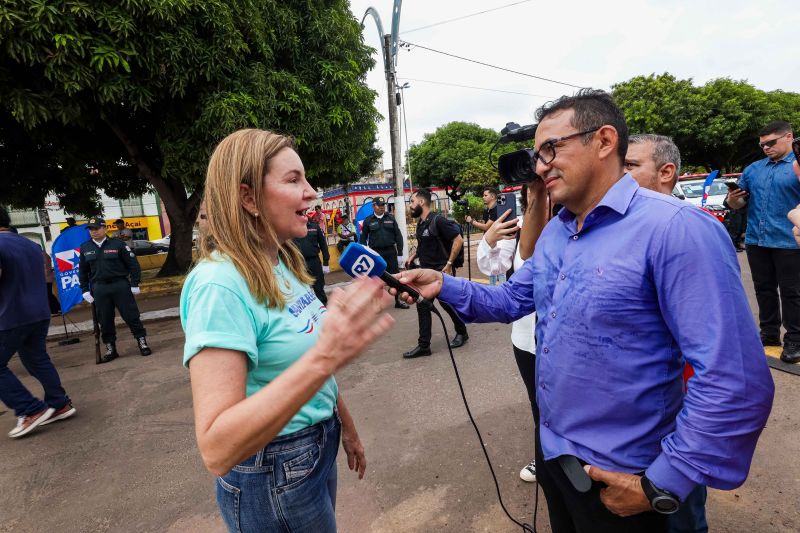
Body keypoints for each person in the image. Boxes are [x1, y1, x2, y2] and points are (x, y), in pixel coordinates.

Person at [396, 90, 775, 533]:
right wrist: (442, 283)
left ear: (604, 141)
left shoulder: (676, 229)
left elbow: (733, 379)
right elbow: (510, 300)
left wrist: (663, 483)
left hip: (627, 478)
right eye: (537, 155)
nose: (540, 167)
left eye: (551, 149)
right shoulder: (558, 232)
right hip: (558, 459)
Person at [180, 129, 394, 533]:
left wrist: (346, 427)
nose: (311, 192)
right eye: (294, 180)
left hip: (314, 448)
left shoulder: (281, 262)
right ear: (248, 198)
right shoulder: (218, 285)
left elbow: (310, 362)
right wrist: (327, 356)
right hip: (272, 469)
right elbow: (216, 448)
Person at [625, 133, 709, 533]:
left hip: (681, 399)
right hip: (639, 409)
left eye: (629, 166)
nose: (617, 175)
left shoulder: (690, 227)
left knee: (679, 506)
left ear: (666, 172)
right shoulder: (619, 227)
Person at [477, 179, 548, 484]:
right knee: (538, 404)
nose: (537, 198)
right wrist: (489, 240)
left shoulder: (574, 225)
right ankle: (544, 458)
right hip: (525, 337)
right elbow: (493, 268)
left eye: (543, 192)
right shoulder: (517, 228)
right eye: (531, 194)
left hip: (563, 338)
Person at [726, 120, 800, 363]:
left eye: (771, 143)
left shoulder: (798, 166)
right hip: (757, 240)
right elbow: (738, 203)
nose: (766, 148)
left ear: (788, 137)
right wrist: (733, 199)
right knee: (764, 290)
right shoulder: (754, 169)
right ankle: (769, 335)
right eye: (762, 145)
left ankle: (795, 340)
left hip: (790, 240)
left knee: (792, 293)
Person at [0, 207, 76, 438]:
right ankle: (59, 403)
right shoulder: (29, 245)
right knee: (36, 359)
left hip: (10, 315)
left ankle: (29, 409)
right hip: (38, 312)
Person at [402, 188, 469, 358]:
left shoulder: (438, 220)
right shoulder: (421, 223)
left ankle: (462, 332)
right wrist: (413, 256)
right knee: (422, 305)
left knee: (447, 303)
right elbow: (424, 244)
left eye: (412, 202)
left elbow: (458, 239)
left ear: (421, 202)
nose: (410, 206)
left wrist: (449, 264)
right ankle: (424, 346)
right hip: (426, 272)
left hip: (441, 271)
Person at [79, 217, 151, 362]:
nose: (93, 231)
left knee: (131, 316)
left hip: (120, 285)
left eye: (96, 228)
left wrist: (134, 283)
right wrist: (85, 289)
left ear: (105, 228)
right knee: (104, 319)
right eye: (91, 229)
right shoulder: (85, 247)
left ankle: (142, 342)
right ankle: (110, 348)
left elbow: (133, 265)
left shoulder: (118, 244)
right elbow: (82, 271)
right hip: (99, 288)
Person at [359, 196, 409, 309]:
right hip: (376, 253)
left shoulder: (390, 218)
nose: (382, 207)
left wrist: (400, 254)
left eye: (383, 205)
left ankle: (398, 301)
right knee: (376, 278)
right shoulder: (368, 221)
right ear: (373, 206)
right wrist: (365, 254)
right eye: (379, 205)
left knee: (395, 278)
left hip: (391, 252)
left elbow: (398, 236)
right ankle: (378, 303)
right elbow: (363, 239)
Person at [293, 218, 330, 304]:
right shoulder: (292, 227)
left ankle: (323, 306)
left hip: (314, 261)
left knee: (319, 287)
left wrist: (326, 262)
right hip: (298, 262)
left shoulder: (314, 226)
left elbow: (323, 244)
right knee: (301, 289)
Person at [43, 250, 61, 315]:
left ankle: (55, 310)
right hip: (48, 278)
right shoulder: (45, 255)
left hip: (46, 279)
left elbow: (45, 269)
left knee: (48, 295)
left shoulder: (42, 256)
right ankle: (57, 308)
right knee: (49, 294)